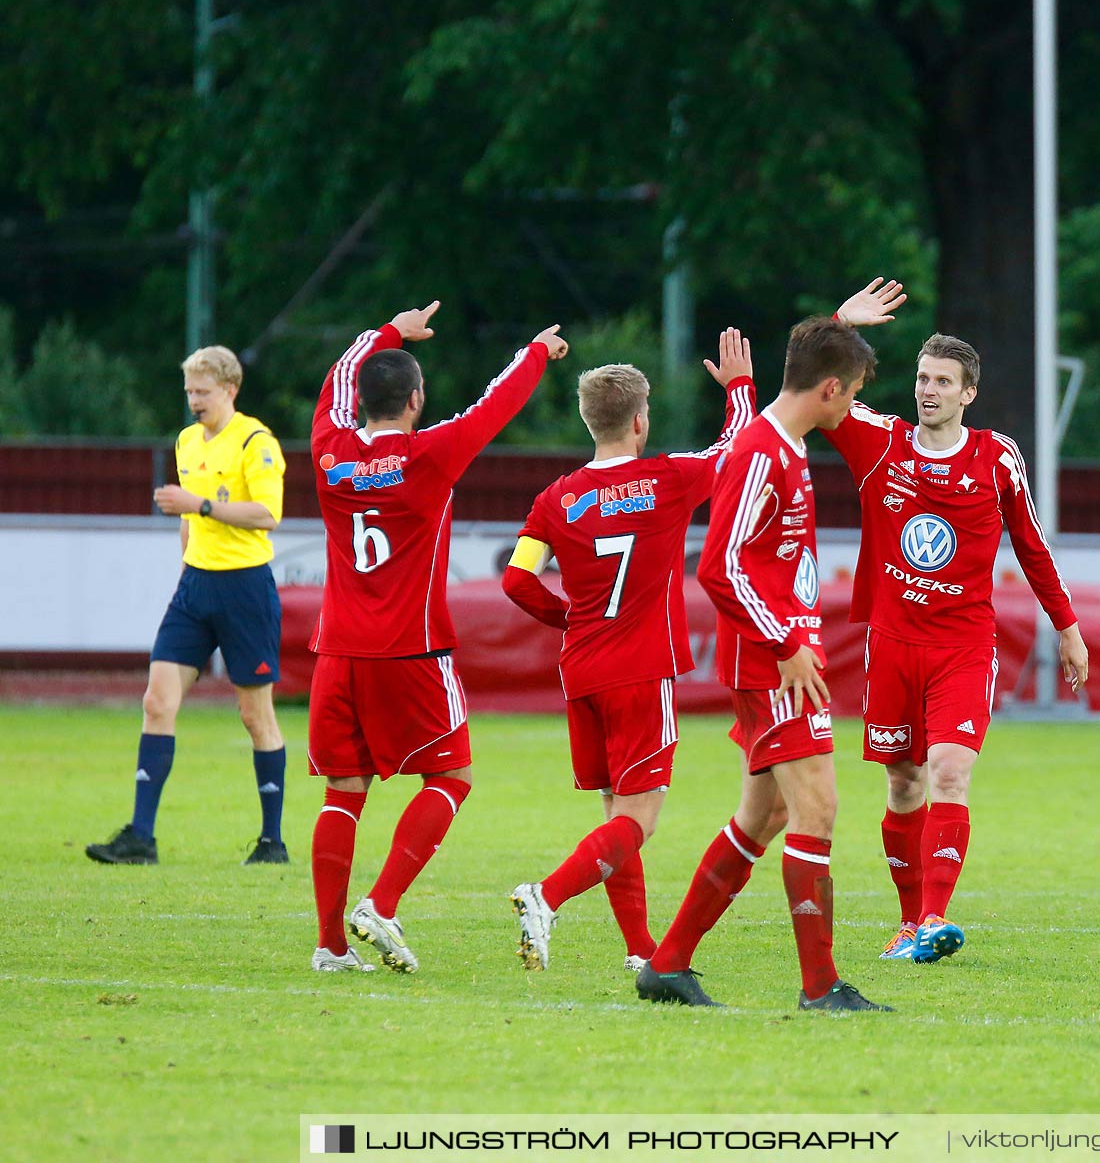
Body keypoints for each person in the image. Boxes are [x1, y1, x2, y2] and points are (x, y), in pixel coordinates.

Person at [827, 278, 1089, 963]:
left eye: (943, 381)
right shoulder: (878, 442)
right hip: (891, 642)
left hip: (963, 646)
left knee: (948, 771)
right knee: (902, 780)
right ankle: (912, 923)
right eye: (921, 378)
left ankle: (936, 918)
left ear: (968, 393)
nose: (928, 390)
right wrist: (841, 327)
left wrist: (1066, 626)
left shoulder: (996, 456)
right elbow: (813, 393)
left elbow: (1031, 542)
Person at [634, 315, 891, 1012]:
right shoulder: (762, 453)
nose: (850, 409)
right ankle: (820, 987)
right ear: (830, 388)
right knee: (819, 809)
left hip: (784, 656)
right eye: (851, 395)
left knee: (765, 816)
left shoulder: (781, 439)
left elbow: (812, 359)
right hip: (775, 664)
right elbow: (717, 567)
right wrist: (785, 644)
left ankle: (668, 963)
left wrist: (837, 324)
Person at [305, 300, 566, 974]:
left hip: (337, 649)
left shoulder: (329, 449)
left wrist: (387, 331)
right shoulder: (429, 454)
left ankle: (331, 946)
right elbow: (496, 404)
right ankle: (382, 904)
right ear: (416, 399)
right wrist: (535, 350)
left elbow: (337, 375)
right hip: (410, 649)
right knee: (451, 776)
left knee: (343, 791)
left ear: (361, 399)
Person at [500, 329, 757, 973]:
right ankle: (546, 895)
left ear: (591, 420)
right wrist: (739, 389)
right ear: (640, 420)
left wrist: (569, 620)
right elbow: (740, 452)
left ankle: (641, 952)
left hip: (582, 667)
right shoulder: (667, 479)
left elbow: (515, 578)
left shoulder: (555, 498)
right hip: (642, 668)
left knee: (616, 813)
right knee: (639, 820)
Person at [87, 346, 290, 866]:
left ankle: (272, 842)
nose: (194, 401)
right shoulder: (185, 442)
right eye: (189, 392)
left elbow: (268, 514)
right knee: (157, 700)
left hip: (245, 589)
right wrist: (186, 570)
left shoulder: (255, 441)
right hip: (195, 589)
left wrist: (200, 505)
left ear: (230, 389)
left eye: (202, 391)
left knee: (254, 714)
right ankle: (141, 837)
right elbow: (187, 522)